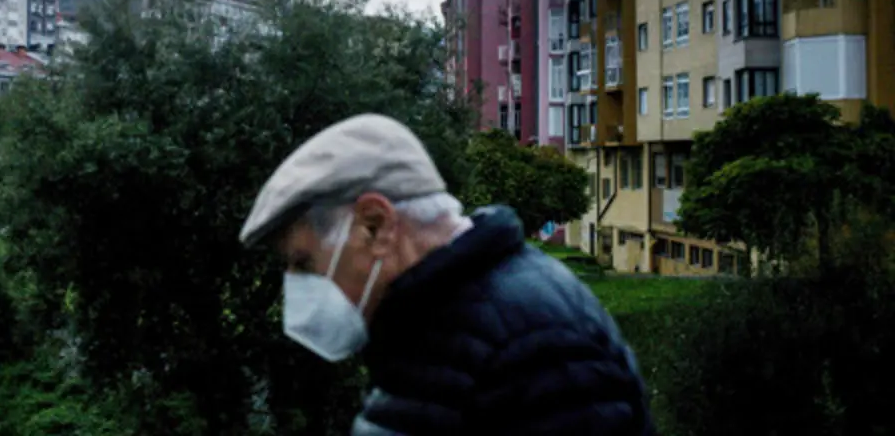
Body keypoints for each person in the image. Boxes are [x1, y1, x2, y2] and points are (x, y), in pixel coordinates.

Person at [239, 113, 655, 435]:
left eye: (304, 263)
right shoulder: (426, 327)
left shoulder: (534, 344)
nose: (296, 285)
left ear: (375, 226)